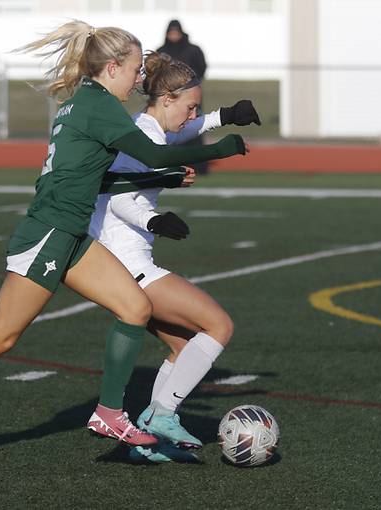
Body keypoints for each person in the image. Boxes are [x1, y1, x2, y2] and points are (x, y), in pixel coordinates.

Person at [0, 20, 249, 471]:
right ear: (113, 67)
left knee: (135, 309)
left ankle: (109, 412)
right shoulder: (99, 107)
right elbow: (156, 153)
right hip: (47, 235)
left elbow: (101, 178)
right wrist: (221, 149)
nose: (141, 78)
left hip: (72, 235)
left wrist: (162, 179)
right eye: (137, 69)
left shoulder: (90, 103)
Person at [88, 51, 260, 463]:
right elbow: (119, 197)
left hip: (123, 260)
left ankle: (149, 438)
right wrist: (154, 221)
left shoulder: (149, 128)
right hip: (127, 263)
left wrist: (225, 115)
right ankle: (162, 414)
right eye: (190, 106)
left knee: (185, 347)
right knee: (218, 325)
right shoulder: (144, 136)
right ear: (166, 99)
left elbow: (183, 133)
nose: (192, 115)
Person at [157, 19, 213, 174]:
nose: (174, 36)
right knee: (170, 132)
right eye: (171, 33)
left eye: (176, 32)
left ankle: (199, 166)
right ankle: (171, 164)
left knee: (195, 129)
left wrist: (188, 85)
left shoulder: (193, 50)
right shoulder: (162, 51)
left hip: (190, 97)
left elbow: (201, 68)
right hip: (170, 99)